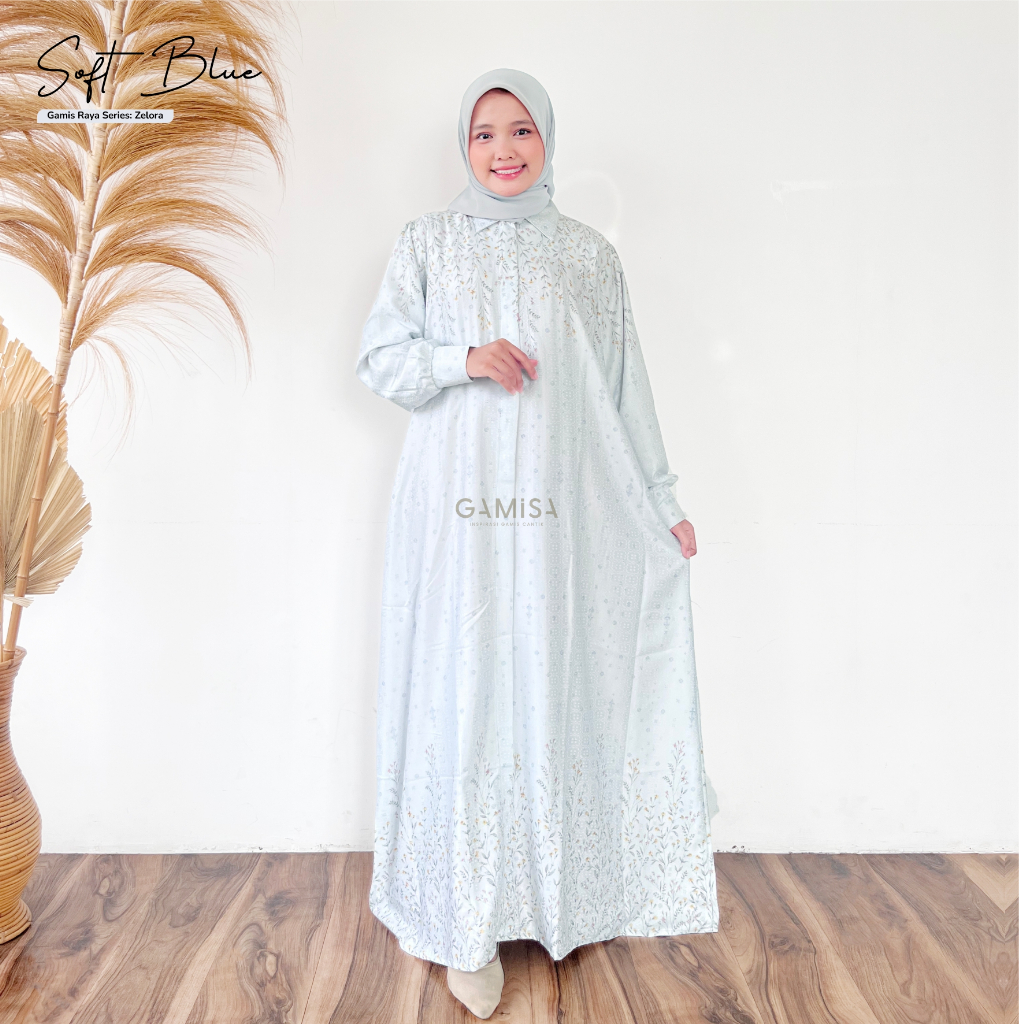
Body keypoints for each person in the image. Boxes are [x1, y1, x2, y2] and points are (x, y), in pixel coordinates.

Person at [356, 68, 719, 1019]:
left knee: (551, 684)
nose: (504, 149)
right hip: (457, 520)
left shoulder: (589, 257)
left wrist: (661, 500)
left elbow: (625, 388)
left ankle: (559, 891)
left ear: (548, 139)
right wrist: (461, 359)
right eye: (484, 134)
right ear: (464, 148)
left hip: (562, 520)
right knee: (466, 688)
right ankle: (461, 920)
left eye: (520, 129)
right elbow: (380, 359)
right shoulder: (427, 243)